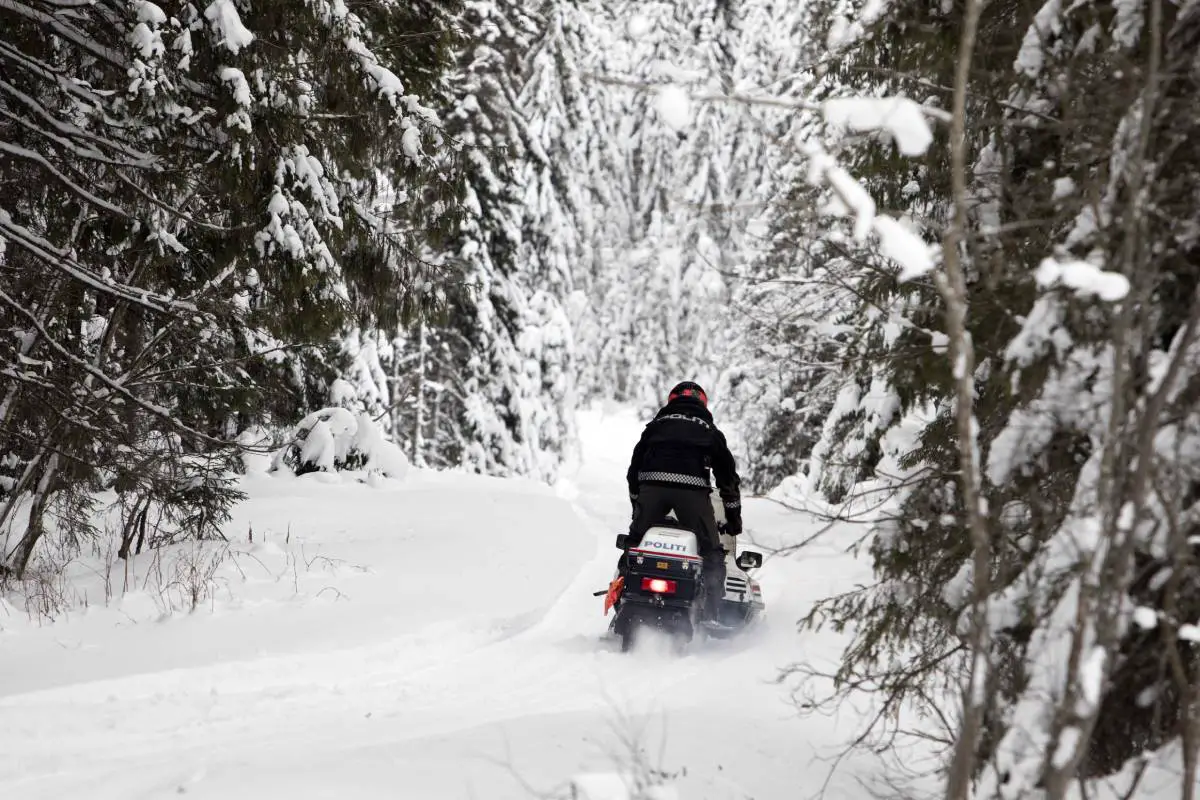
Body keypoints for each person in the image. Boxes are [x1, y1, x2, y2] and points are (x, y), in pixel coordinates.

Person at [621, 381, 743, 621]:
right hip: (692, 492)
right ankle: (711, 611)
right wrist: (733, 519)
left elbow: (633, 470)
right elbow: (727, 478)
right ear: (703, 403)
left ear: (672, 400)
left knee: (634, 545)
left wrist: (637, 504)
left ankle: (622, 595)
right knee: (712, 552)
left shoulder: (654, 427)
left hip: (652, 488)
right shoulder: (710, 431)